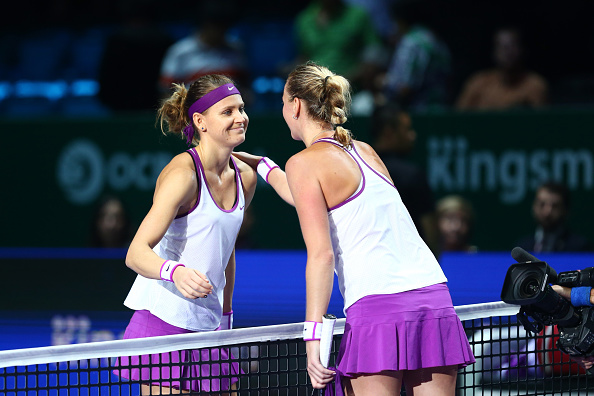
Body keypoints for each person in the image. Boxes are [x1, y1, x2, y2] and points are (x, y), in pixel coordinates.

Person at [238, 62, 474, 395]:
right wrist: (263, 166)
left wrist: (312, 340)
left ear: (295, 106)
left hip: (378, 308)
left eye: (282, 102)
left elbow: (322, 256)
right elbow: (309, 198)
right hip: (433, 301)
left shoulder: (304, 163)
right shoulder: (364, 150)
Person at [114, 74, 259, 395]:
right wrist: (174, 272)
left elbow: (226, 250)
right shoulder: (182, 175)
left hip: (210, 323)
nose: (241, 118)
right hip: (164, 318)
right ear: (200, 121)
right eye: (228, 112)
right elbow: (136, 253)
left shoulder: (246, 178)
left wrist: (226, 314)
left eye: (241, 109)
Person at [371, 103, 439, 255]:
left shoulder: (355, 170)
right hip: (413, 269)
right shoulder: (412, 175)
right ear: (389, 132)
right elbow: (430, 231)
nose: (412, 135)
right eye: (407, 129)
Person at [158, 2, 247, 94]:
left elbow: (245, 86)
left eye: (225, 27)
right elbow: (166, 91)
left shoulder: (236, 49)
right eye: (217, 26)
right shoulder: (180, 52)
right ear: (205, 25)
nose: (221, 32)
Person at [382, 0, 451, 111]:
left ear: (401, 20)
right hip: (440, 108)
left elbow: (405, 87)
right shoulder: (434, 38)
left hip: (418, 111)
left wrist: (382, 84)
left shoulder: (411, 43)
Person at [456, 27, 548, 110]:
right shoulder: (478, 83)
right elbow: (458, 119)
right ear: (494, 52)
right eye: (502, 47)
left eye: (513, 45)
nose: (508, 52)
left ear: (522, 49)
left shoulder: (536, 85)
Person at [516, 181, 591, 252]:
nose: (547, 212)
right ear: (534, 206)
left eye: (555, 206)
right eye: (542, 204)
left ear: (565, 209)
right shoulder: (522, 247)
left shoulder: (579, 247)